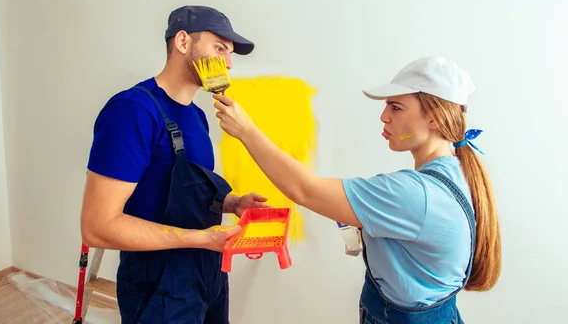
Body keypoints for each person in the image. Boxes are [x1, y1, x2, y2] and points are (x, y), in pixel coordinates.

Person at [213, 56, 502, 323]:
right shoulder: (458, 171)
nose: (384, 116)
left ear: (435, 118)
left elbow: (305, 190)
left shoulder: (415, 193)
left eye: (396, 107)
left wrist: (246, 131)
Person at [80, 5, 269, 324]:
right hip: (159, 283)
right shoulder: (133, 111)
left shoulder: (196, 116)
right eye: (220, 48)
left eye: (230, 53)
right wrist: (202, 238)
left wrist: (233, 203)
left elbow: (177, 189)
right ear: (183, 42)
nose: (228, 63)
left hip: (207, 271)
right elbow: (97, 226)